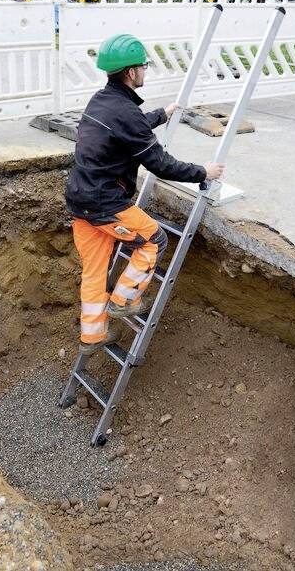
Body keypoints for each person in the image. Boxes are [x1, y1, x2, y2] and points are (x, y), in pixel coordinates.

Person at [65, 33, 225, 356]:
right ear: (130, 72)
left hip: (79, 200)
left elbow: (131, 126)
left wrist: (162, 114)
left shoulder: (101, 100)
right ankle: (125, 299)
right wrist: (202, 173)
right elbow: (160, 163)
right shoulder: (124, 112)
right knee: (155, 240)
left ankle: (92, 335)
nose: (145, 71)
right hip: (105, 204)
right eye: (143, 66)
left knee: (95, 271)